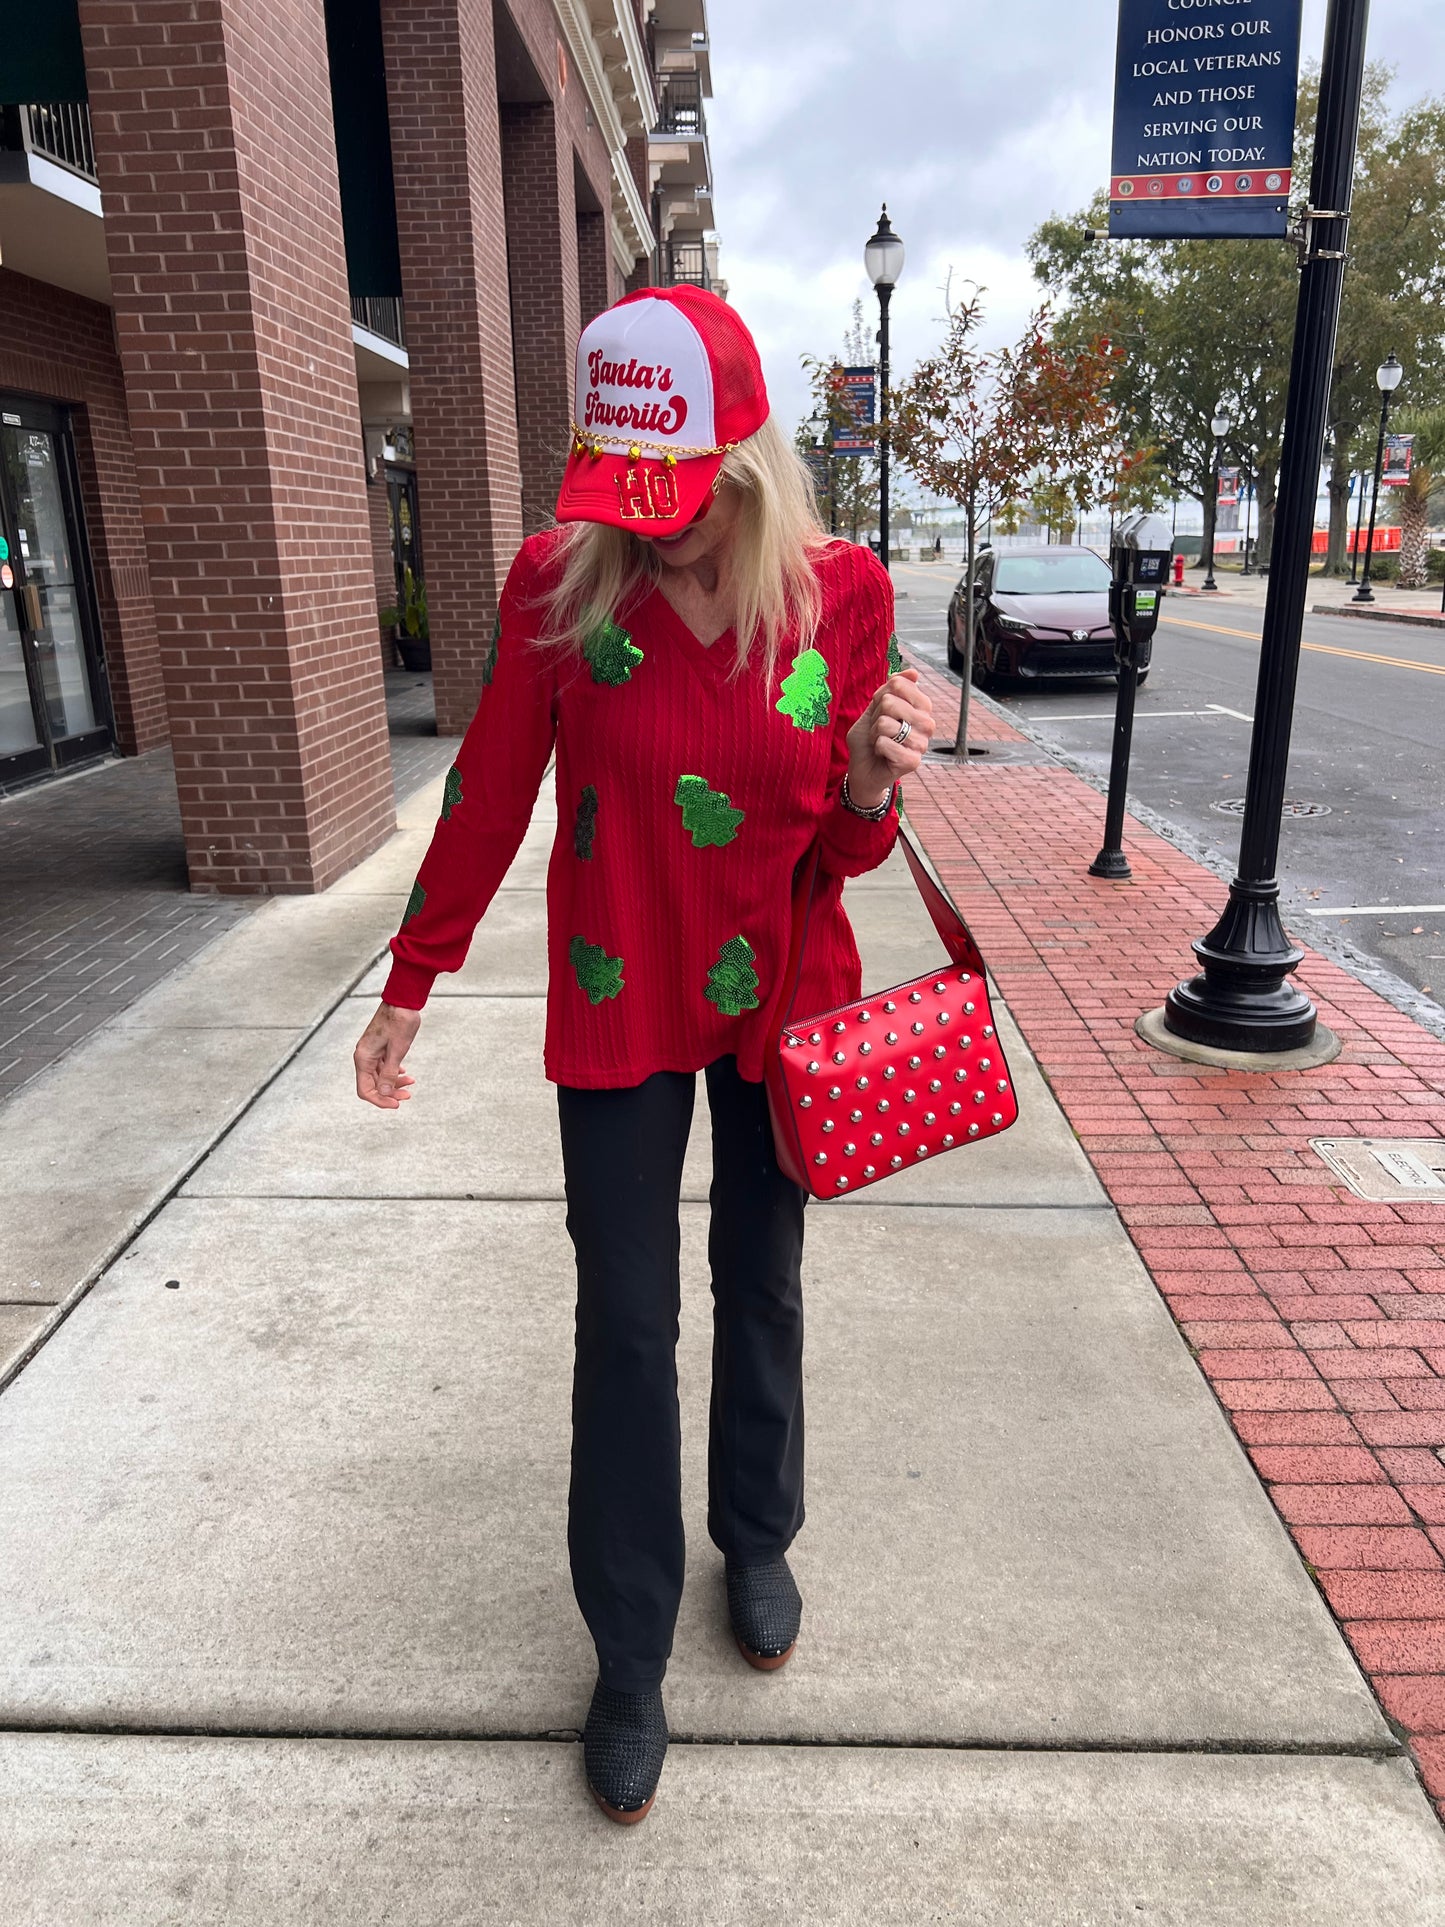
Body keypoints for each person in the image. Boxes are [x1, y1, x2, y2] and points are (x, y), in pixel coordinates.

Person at [352, 286, 935, 1824]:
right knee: (623, 1320)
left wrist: (871, 785)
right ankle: (625, 1650)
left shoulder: (841, 595)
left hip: (777, 996)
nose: (658, 535)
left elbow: (847, 853)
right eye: (632, 499)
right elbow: (487, 790)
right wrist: (414, 976)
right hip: (616, 990)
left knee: (762, 1275)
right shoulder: (562, 580)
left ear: (745, 466)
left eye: (682, 506)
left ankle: (755, 1536)